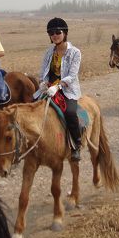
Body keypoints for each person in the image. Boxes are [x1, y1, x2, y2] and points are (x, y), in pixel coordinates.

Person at [36, 18, 83, 162]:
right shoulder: (49, 52)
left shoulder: (75, 52)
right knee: (31, 107)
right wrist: (43, 83)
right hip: (49, 89)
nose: (55, 35)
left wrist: (58, 86)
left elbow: (72, 76)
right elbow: (43, 71)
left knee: (69, 112)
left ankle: (76, 145)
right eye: (51, 33)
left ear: (65, 33)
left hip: (67, 90)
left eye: (58, 32)